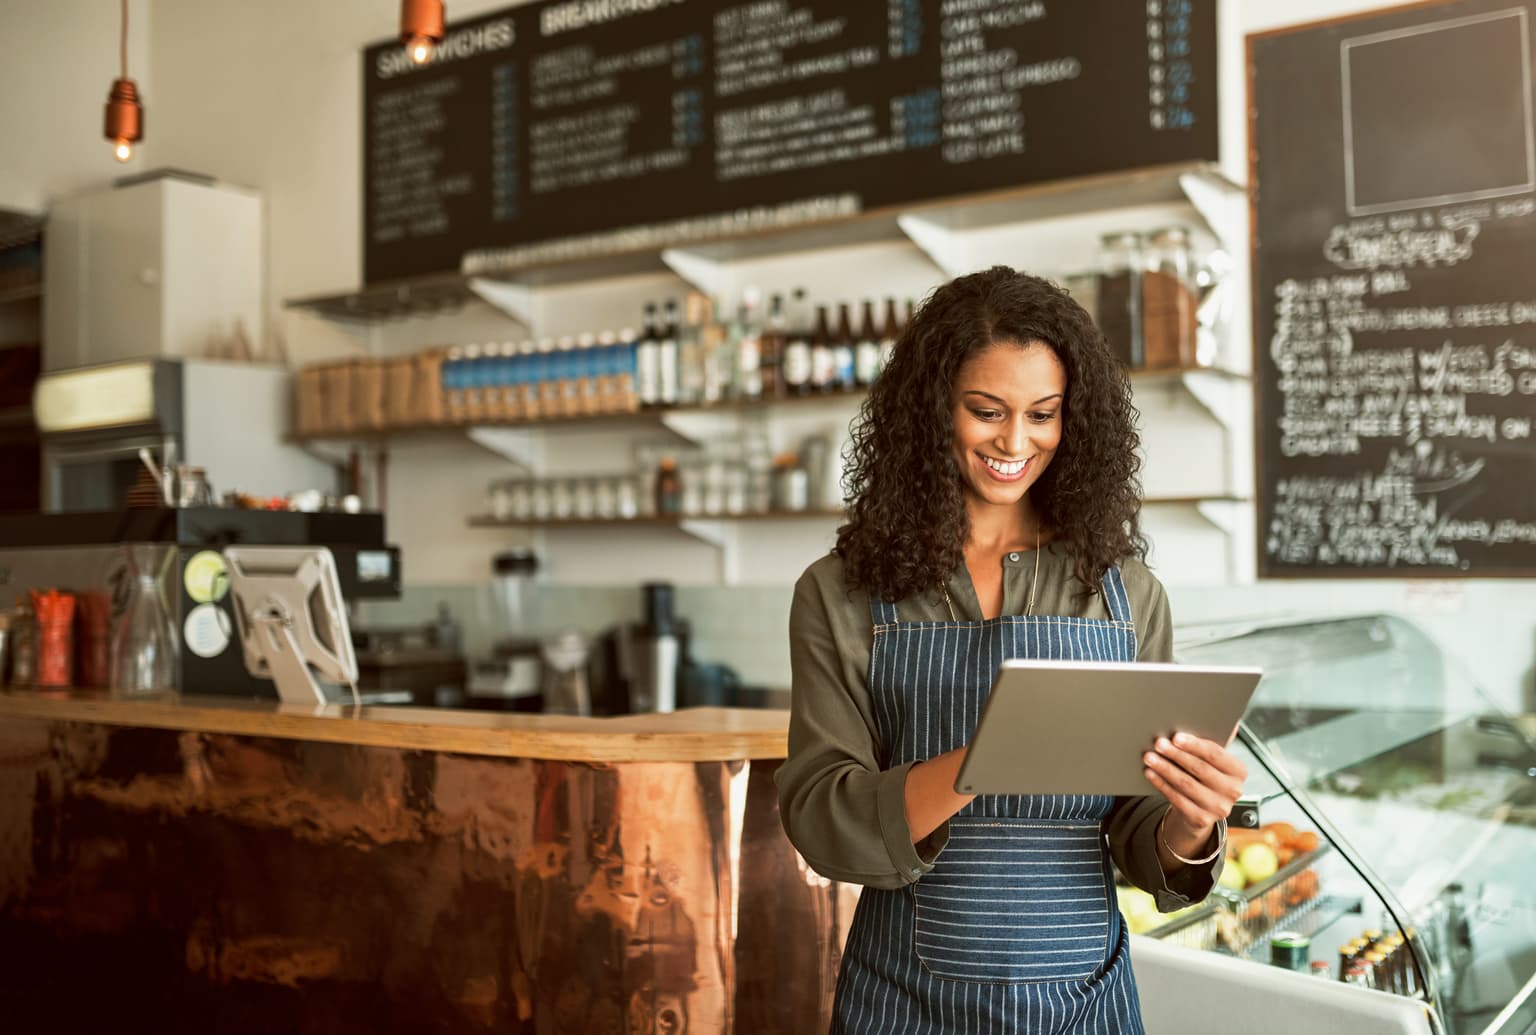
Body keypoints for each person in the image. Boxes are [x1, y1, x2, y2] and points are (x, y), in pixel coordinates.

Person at [777, 267, 1248, 1033]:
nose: (1015, 441)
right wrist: (984, 759)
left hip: (1085, 1004)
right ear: (932, 410)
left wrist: (1192, 820)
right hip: (902, 1003)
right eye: (986, 411)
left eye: (1043, 414)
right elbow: (820, 811)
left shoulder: (1126, 592)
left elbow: (1142, 832)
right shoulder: (840, 592)